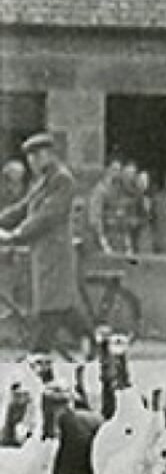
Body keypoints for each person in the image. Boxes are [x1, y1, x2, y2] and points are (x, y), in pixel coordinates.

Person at [0, 134, 87, 355]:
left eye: (37, 155)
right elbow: (23, 208)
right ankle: (94, 346)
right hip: (43, 255)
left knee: (49, 313)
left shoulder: (62, 180)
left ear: (49, 154)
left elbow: (47, 216)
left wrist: (15, 235)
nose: (33, 161)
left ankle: (41, 363)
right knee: (62, 310)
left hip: (56, 256)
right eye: (30, 156)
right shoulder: (42, 181)